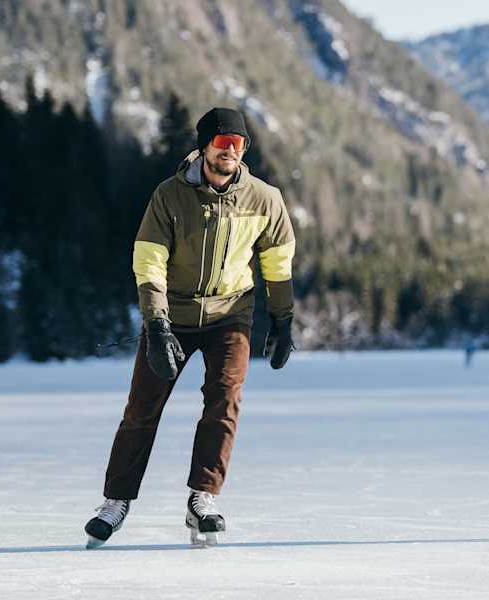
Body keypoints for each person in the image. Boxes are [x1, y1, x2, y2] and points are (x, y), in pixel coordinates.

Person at [84, 108, 297, 549]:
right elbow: (149, 261)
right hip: (174, 315)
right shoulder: (169, 196)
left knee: (224, 401)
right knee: (142, 407)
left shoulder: (264, 198)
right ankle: (115, 501)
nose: (231, 153)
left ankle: (203, 497)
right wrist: (157, 324)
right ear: (204, 148)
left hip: (231, 314)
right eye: (223, 145)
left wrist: (283, 317)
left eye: (239, 145)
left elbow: (277, 263)